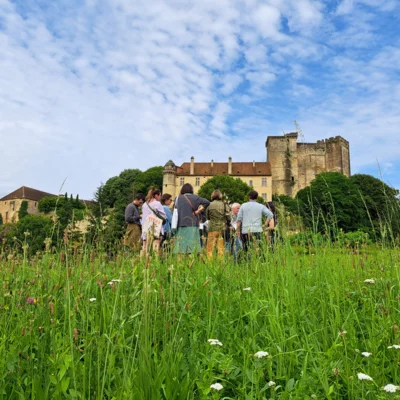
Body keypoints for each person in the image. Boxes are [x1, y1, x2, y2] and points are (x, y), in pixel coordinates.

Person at [173, 183, 210, 255]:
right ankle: (191, 264)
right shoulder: (196, 198)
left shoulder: (177, 198)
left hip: (180, 224)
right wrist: (198, 211)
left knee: (180, 249)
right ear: (191, 190)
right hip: (193, 224)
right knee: (192, 248)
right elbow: (207, 202)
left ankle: (180, 265)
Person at [205, 190, 231, 258]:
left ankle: (209, 264)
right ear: (220, 196)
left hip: (212, 229)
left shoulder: (209, 204)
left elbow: (207, 217)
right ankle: (220, 265)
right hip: (222, 229)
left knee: (210, 250)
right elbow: (229, 218)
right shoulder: (225, 204)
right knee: (221, 249)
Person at [141, 188, 166, 254]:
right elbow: (163, 217)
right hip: (155, 227)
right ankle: (155, 261)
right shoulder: (157, 204)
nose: (160, 197)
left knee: (145, 247)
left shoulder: (144, 204)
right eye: (160, 195)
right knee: (155, 247)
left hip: (145, 228)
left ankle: (143, 262)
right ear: (156, 195)